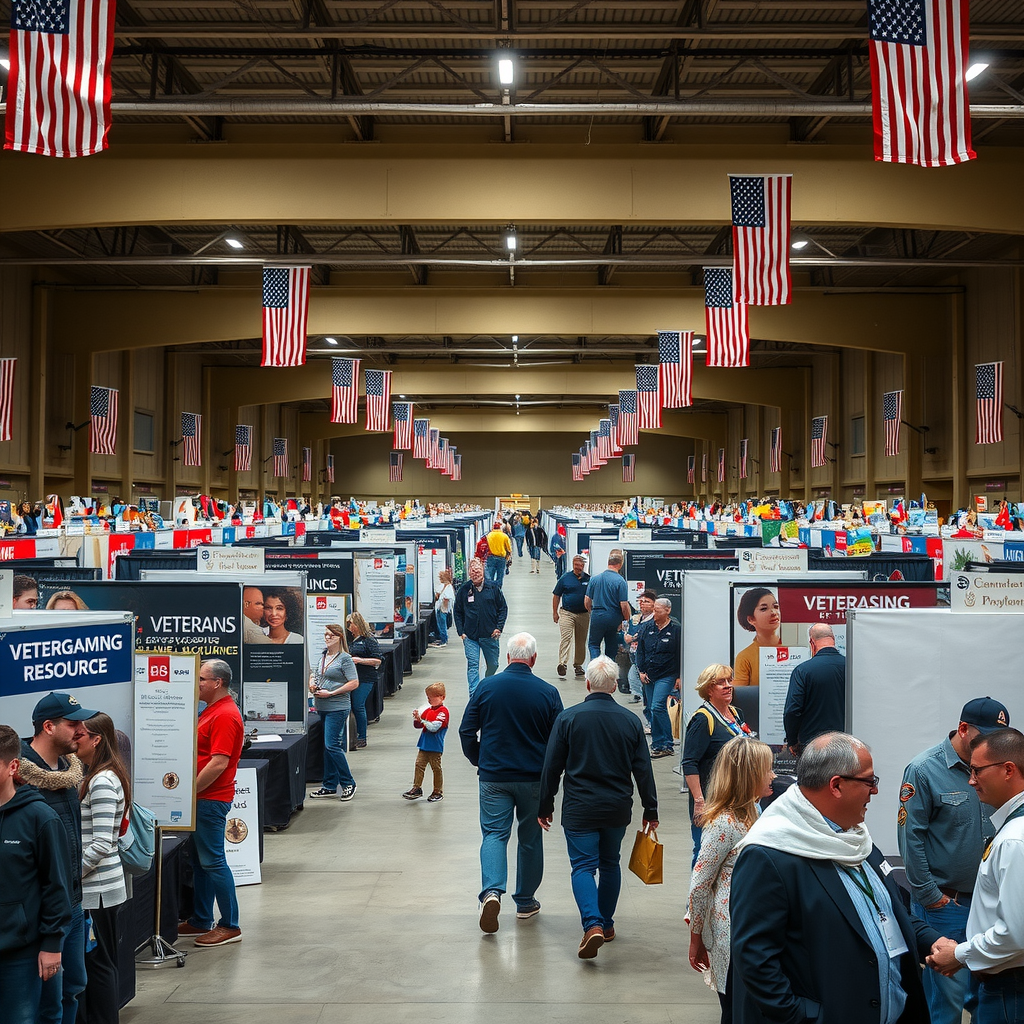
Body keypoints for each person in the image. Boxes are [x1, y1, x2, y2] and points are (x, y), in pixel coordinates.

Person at [730, 732, 939, 1024]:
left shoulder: (854, 838)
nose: (874, 791)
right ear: (837, 786)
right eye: (869, 781)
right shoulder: (770, 855)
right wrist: (808, 1017)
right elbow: (755, 962)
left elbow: (888, 910)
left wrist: (932, 941)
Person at [537, 655, 658, 959]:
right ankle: (606, 924)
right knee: (610, 863)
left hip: (579, 807)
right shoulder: (631, 721)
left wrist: (545, 803)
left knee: (582, 866)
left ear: (587, 684)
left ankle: (592, 924)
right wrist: (651, 808)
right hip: (617, 808)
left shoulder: (568, 719)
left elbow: (552, 766)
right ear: (615, 686)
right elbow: (643, 769)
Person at [898, 696, 1010, 1024]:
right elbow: (911, 839)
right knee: (947, 1003)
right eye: (983, 736)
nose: (990, 744)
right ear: (963, 729)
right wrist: (934, 899)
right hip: (948, 906)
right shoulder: (924, 769)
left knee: (985, 997)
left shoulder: (996, 767)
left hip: (991, 905)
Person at [459, 632, 563, 933]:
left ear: (507, 657)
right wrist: (551, 778)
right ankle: (526, 901)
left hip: (494, 777)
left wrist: (480, 759)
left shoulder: (486, 687)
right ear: (533, 659)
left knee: (494, 834)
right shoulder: (548, 693)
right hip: (533, 778)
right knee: (530, 838)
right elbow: (559, 742)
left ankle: (492, 892)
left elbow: (466, 731)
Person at [926, 727, 1024, 1024]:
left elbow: (1015, 933)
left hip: (1010, 986)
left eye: (977, 771)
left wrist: (959, 954)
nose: (971, 780)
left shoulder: (1014, 840)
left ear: (1008, 770)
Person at [19, 692, 97, 1024]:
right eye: (73, 723)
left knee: (74, 986)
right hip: (40, 910)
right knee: (45, 1000)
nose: (81, 729)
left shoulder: (68, 771)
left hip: (73, 905)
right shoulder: (18, 775)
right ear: (48, 727)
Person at [687, 735, 775, 1024]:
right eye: (768, 770)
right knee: (735, 1010)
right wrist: (696, 937)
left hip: (749, 928)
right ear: (750, 775)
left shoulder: (754, 811)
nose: (773, 775)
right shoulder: (724, 823)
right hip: (732, 935)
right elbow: (700, 885)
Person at [0, 723, 72, 1024]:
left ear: (12, 766)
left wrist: (52, 945)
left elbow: (57, 886)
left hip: (20, 953)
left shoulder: (40, 818)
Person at [176, 659, 244, 947]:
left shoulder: (225, 715)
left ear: (217, 682)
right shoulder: (212, 711)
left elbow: (218, 763)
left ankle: (230, 925)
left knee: (214, 862)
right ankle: (201, 918)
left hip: (209, 799)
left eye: (201, 678)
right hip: (202, 798)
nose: (197, 683)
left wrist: (188, 792)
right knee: (201, 862)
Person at [77, 713, 131, 1024]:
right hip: (99, 888)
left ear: (97, 739)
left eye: (81, 735)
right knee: (100, 965)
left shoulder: (102, 781)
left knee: (98, 967)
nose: (75, 740)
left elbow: (100, 843)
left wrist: (72, 875)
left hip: (97, 891)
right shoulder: (97, 777)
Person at [682, 664, 747, 865]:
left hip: (737, 798)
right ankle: (698, 895)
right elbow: (689, 762)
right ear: (709, 689)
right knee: (704, 852)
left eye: (729, 681)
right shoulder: (703, 720)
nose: (728, 686)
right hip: (712, 800)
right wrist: (699, 802)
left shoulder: (736, 714)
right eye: (720, 683)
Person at [308, 626, 360, 800]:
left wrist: (331, 693)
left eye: (331, 635)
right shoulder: (323, 656)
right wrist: (312, 684)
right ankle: (329, 785)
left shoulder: (345, 659)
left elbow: (354, 682)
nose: (327, 637)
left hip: (337, 707)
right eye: (325, 635)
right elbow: (315, 675)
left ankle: (348, 783)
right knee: (327, 747)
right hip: (322, 706)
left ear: (340, 638)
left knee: (332, 745)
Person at [783, 623, 846, 753]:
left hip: (813, 746)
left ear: (812, 642)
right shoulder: (851, 667)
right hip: (845, 744)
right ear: (833, 639)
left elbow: (793, 711)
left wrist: (792, 741)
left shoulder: (803, 671)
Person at [453, 558, 508, 698]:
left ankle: (486, 686)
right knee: (473, 665)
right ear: (469, 573)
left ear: (483, 570)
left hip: (490, 635)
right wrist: (461, 632)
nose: (475, 573)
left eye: (477, 570)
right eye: (472, 571)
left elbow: (503, 609)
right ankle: (474, 695)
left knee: (493, 664)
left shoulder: (493, 588)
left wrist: (498, 628)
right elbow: (457, 611)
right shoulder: (464, 590)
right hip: (470, 636)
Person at [634, 597, 681, 760]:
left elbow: (680, 654)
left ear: (667, 611)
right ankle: (657, 743)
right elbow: (640, 651)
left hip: (667, 674)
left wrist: (679, 677)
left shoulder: (676, 629)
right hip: (648, 675)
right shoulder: (647, 628)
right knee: (651, 708)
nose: (654, 614)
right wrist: (640, 671)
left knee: (657, 706)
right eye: (653, 610)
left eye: (658, 610)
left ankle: (667, 743)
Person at [403, 681, 449, 802]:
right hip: (424, 745)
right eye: (428, 698)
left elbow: (434, 727)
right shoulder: (429, 711)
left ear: (442, 697)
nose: (429, 701)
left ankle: (437, 790)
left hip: (435, 746)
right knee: (419, 765)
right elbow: (419, 725)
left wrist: (422, 721)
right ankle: (417, 787)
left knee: (436, 768)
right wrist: (418, 719)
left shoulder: (443, 712)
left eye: (431, 698)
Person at [345, 612, 382, 750]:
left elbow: (377, 660)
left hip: (365, 678)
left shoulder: (369, 640)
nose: (349, 627)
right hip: (350, 678)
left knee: (358, 705)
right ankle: (351, 735)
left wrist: (360, 660)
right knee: (349, 706)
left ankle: (362, 736)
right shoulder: (349, 639)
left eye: (350, 624)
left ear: (357, 624)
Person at [585, 552, 630, 662]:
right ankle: (609, 673)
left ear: (608, 563)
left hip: (597, 615)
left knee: (594, 645)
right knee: (611, 646)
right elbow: (624, 605)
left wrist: (592, 611)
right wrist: (626, 620)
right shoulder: (620, 581)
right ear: (620, 564)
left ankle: (595, 672)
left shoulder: (594, 579)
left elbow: (587, 601)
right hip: (613, 616)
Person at [552, 554, 591, 679]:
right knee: (566, 637)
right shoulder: (565, 578)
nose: (578, 567)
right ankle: (562, 664)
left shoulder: (589, 579)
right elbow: (556, 595)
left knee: (581, 641)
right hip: (567, 613)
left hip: (584, 614)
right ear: (573, 565)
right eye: (576, 565)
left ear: (584, 566)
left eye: (580, 565)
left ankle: (578, 665)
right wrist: (555, 612)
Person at [733, 587, 781, 688]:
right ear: (751, 619)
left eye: (775, 606)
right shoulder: (745, 657)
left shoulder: (794, 647)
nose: (773, 612)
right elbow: (740, 694)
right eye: (764, 609)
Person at [623, 590, 656, 708]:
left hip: (648, 658)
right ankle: (640, 696)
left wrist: (634, 638)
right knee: (633, 676)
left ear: (654, 604)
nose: (642, 604)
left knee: (635, 676)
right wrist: (626, 637)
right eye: (640, 601)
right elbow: (629, 632)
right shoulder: (635, 618)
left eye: (646, 601)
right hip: (634, 654)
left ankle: (642, 698)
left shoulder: (655, 620)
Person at [484, 520, 513, 589]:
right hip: (501, 558)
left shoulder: (489, 535)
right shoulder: (504, 536)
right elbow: (509, 549)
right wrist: (508, 557)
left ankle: (490, 590)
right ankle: (498, 590)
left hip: (490, 557)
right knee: (500, 575)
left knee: (490, 575)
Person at [430, 569, 455, 648]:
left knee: (442, 625)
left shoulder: (448, 587)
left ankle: (444, 640)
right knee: (440, 624)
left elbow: (447, 598)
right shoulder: (444, 586)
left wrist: (443, 609)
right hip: (440, 608)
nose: (440, 578)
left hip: (442, 609)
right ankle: (442, 639)